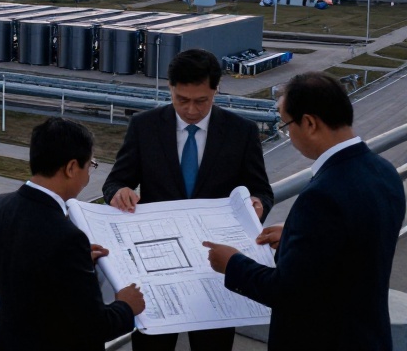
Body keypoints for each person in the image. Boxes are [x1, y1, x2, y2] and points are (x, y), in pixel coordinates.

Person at [202, 72, 405, 350]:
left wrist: (232, 264)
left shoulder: (322, 195)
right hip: (368, 335)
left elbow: (288, 292)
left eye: (286, 126)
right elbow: (356, 244)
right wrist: (297, 234)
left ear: (309, 123)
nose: (289, 136)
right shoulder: (384, 171)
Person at [101, 48, 273, 351]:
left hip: (214, 267)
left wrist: (258, 205)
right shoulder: (144, 126)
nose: (191, 110)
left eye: (201, 101)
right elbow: (115, 180)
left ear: (215, 90)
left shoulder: (241, 132)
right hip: (157, 267)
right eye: (182, 100)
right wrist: (118, 192)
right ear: (170, 88)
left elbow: (261, 190)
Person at [0, 117, 144, 350]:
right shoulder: (68, 237)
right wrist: (126, 306)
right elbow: (94, 326)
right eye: (90, 165)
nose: (89, 175)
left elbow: (16, 277)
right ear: (71, 168)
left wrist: (75, 262)